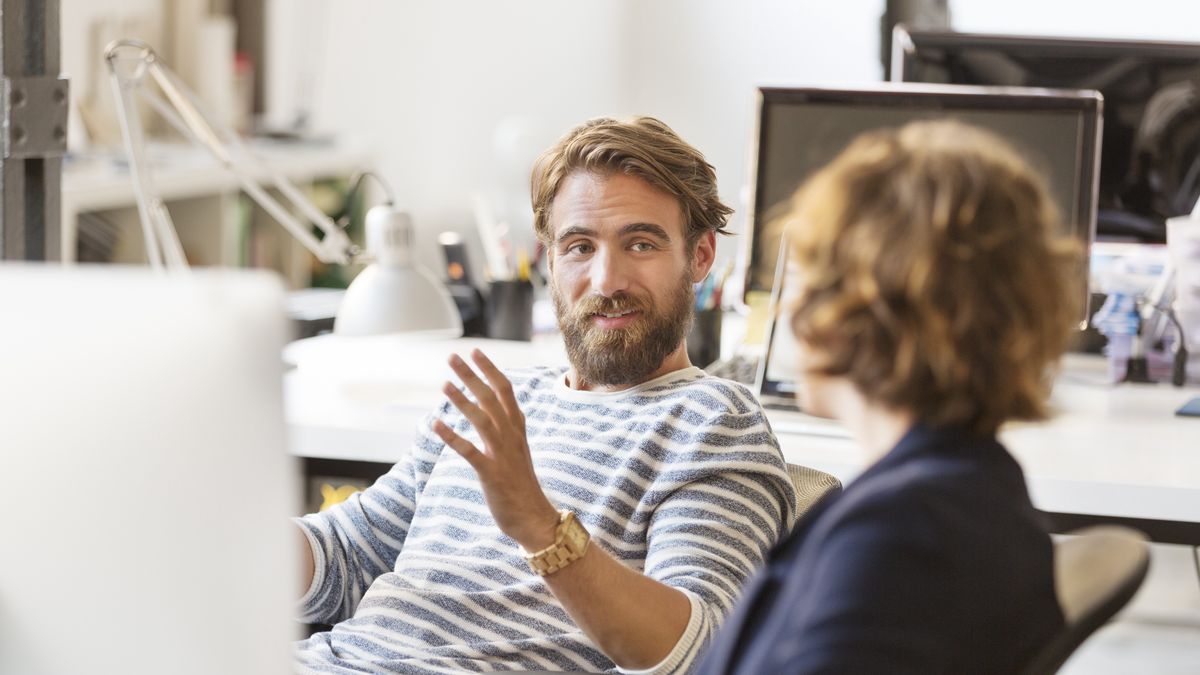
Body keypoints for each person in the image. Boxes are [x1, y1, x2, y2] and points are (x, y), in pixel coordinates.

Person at [294, 116, 798, 674]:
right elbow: (349, 554)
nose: (607, 281)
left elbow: (696, 651)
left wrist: (538, 524)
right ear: (549, 260)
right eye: (580, 246)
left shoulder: (713, 425)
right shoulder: (498, 399)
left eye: (641, 243)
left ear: (701, 256)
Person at [696, 120, 1083, 674]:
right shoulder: (961, 490)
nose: (784, 307)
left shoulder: (903, 541)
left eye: (804, 276)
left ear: (865, 310)